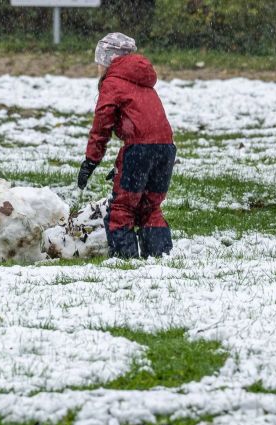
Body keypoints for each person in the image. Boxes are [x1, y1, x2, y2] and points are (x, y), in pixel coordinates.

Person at [77, 33, 176, 258]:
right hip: (166, 148)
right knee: (149, 207)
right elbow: (149, 127)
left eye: (100, 62)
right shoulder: (142, 80)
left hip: (140, 148)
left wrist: (91, 160)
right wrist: (125, 163)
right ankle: (159, 255)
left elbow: (103, 122)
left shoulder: (113, 81)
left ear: (110, 60)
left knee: (122, 209)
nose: (98, 68)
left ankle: (125, 260)